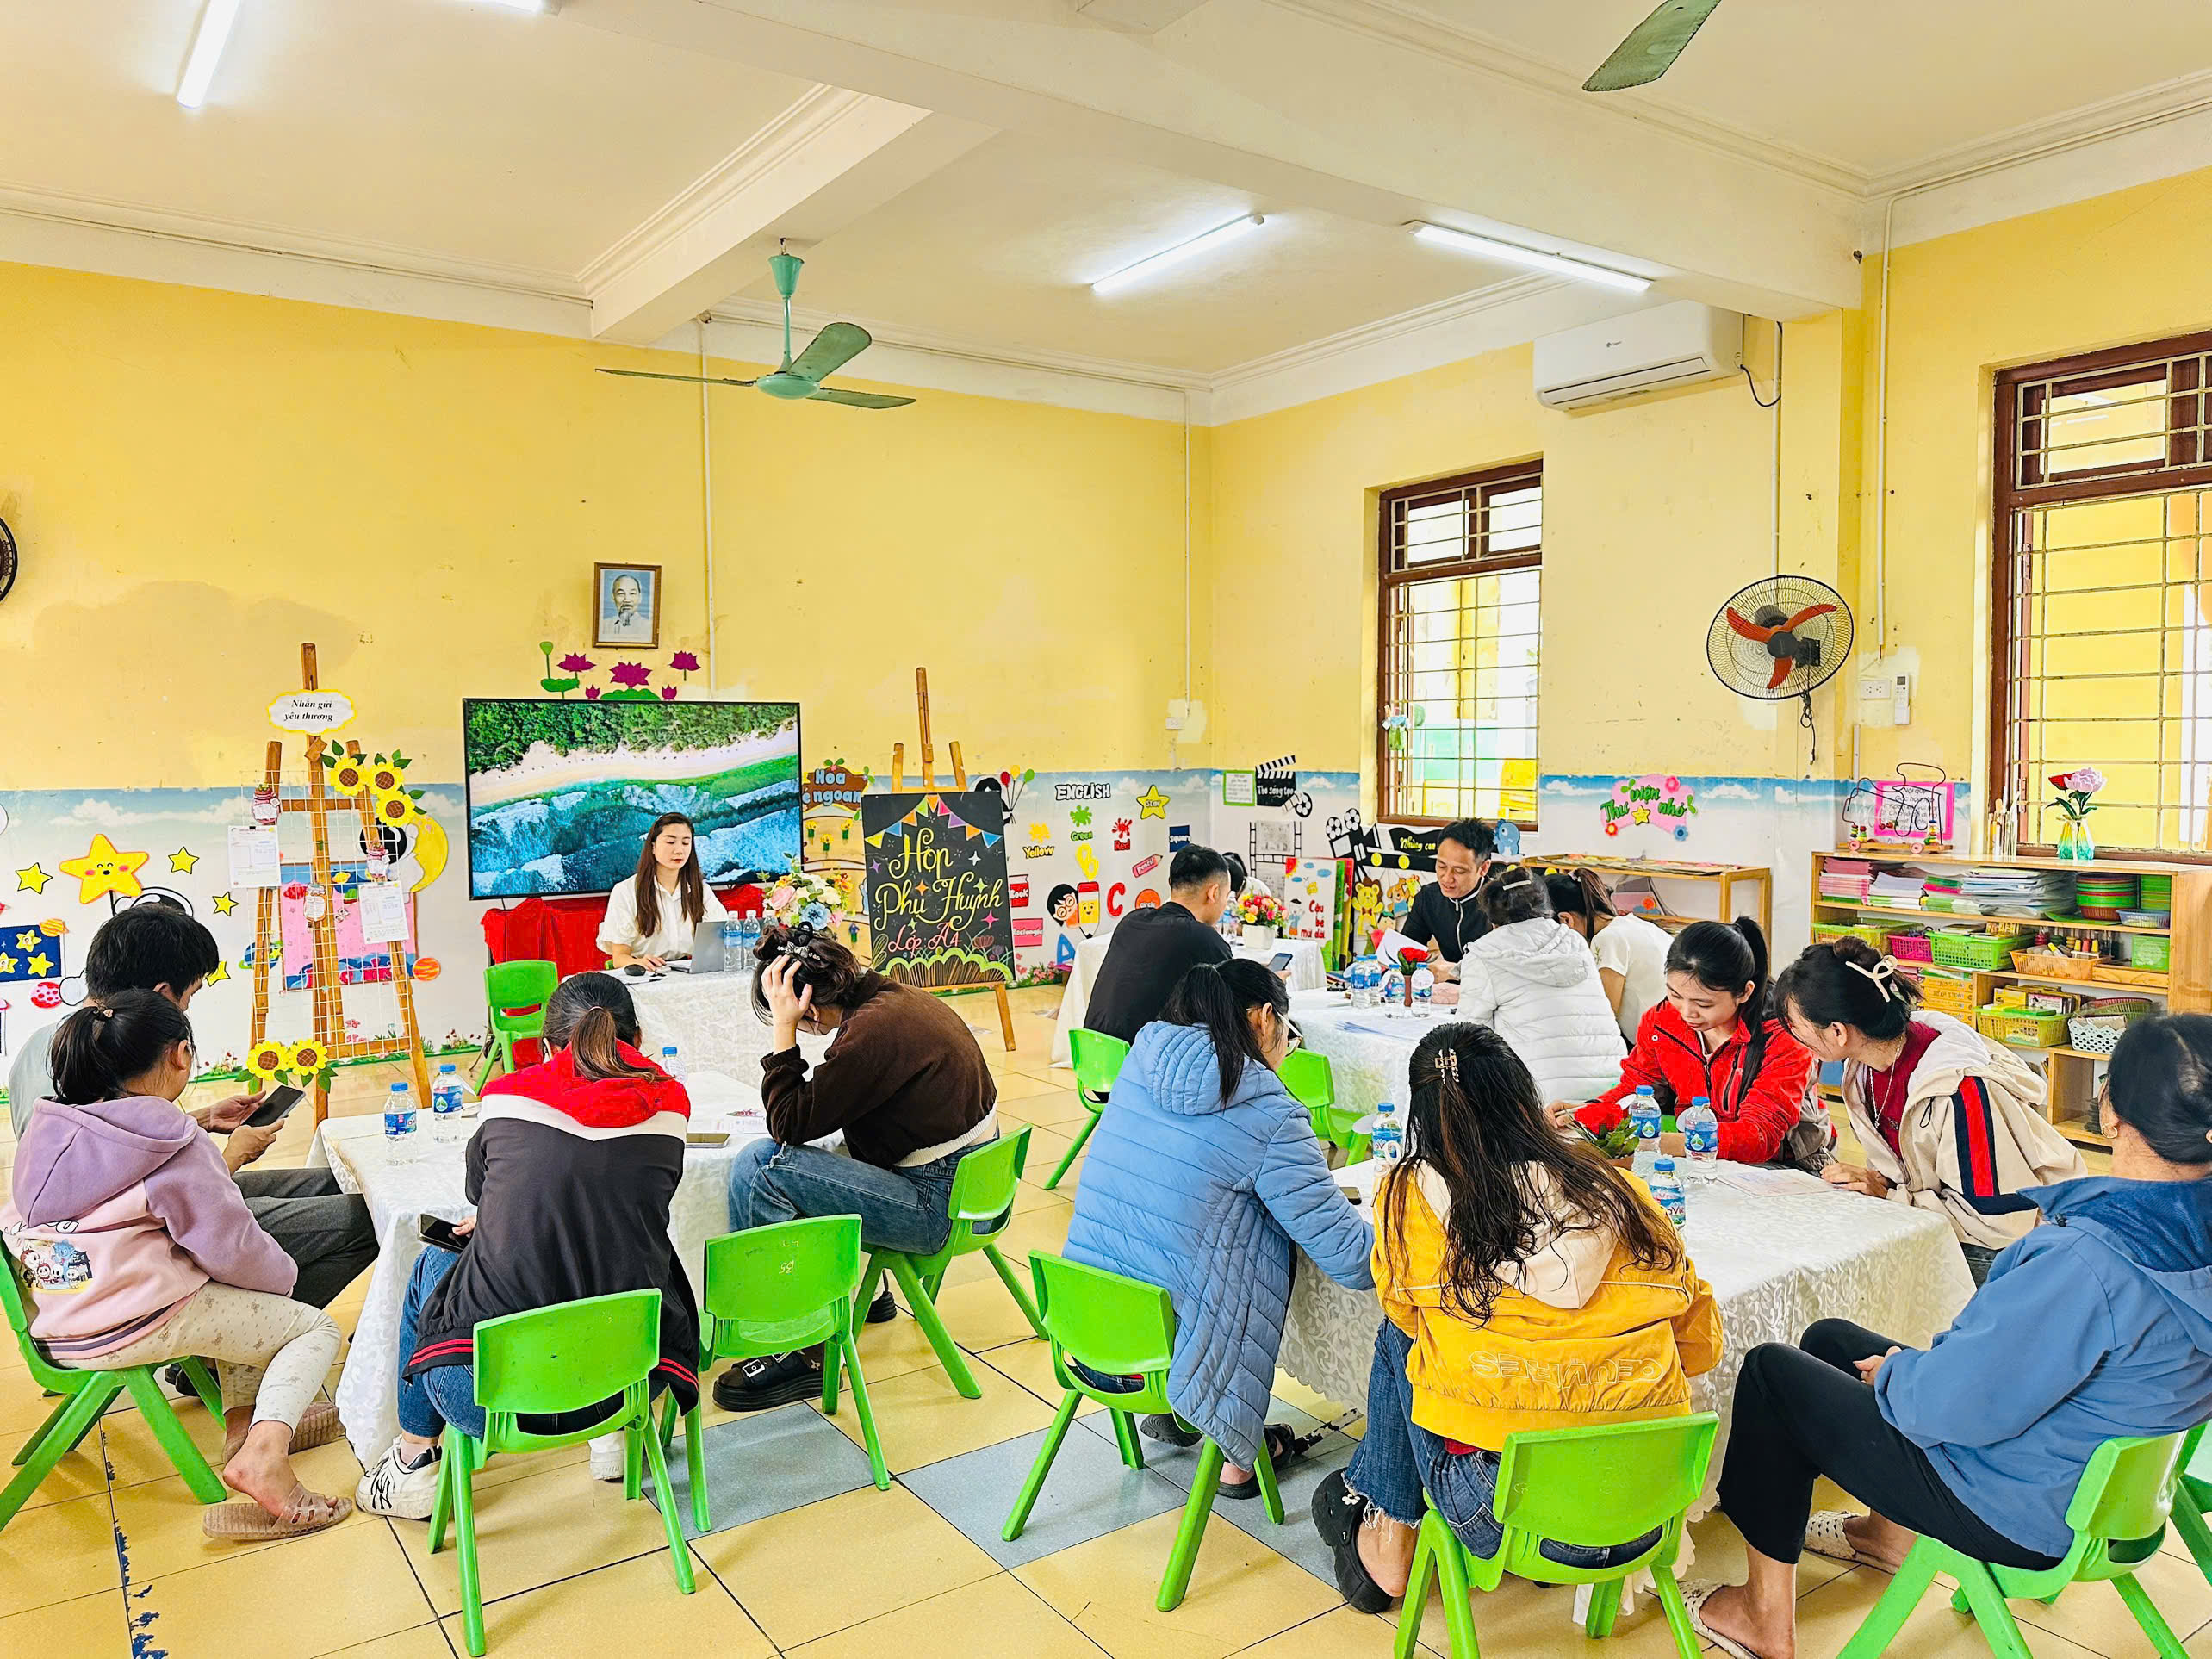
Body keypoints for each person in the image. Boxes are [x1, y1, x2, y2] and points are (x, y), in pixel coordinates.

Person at [1685, 1013, 2212, 1659]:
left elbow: (1953, 1408)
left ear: (2110, 1113)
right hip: (2098, 1492)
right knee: (1830, 1339)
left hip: (2014, 1504)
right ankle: (1888, 1537)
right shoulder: (2183, 1239)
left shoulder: (2088, 1262)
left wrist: (1901, 1374)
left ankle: (1762, 1616)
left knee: (1772, 1372)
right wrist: (1911, 1370)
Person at [1314, 1022, 1721, 1612]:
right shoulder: (1621, 1190)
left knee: (1404, 1338)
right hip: (1646, 1502)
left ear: (1421, 1115)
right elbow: (1701, 1346)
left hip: (1503, 1510)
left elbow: (1404, 1314)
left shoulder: (1410, 1195)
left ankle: (1389, 1535)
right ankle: (1383, 1513)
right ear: (1524, 1098)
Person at [4, 995, 349, 1538]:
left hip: (57, 1320)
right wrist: (283, 1279)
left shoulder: (49, 1134)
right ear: (180, 1055)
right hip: (130, 1319)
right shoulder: (172, 1142)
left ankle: (242, 1427)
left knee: (227, 1294)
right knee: (310, 1327)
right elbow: (232, 1247)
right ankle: (264, 1455)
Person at [356, 973, 699, 1517]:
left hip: (488, 1399)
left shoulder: (507, 1099)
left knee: (431, 1264)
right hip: (631, 1379)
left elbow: (478, 1191)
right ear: (637, 1038)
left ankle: (413, 1460)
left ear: (544, 1047)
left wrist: (505, 1218)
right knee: (624, 1249)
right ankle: (611, 1438)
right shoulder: (670, 1107)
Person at [1065, 959, 1372, 1496]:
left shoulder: (1142, 1060)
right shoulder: (1270, 1112)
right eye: (1289, 1034)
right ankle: (1235, 1458)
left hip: (1085, 1327)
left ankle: (1193, 1422)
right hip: (1173, 1358)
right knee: (1254, 1248)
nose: (1287, 1047)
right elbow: (1348, 1257)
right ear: (1263, 1018)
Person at [8, 901, 376, 1311]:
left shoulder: (50, 1045)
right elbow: (144, 1204)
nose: (185, 1009)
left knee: (333, 1184)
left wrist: (202, 1120)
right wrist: (231, 1157)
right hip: (131, 1252)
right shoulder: (99, 1065)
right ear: (162, 994)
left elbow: (107, 1158)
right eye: (190, 995)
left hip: (132, 1221)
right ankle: (263, 1330)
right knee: (371, 1219)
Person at [715, 923, 999, 1410]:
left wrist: (783, 1032)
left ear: (807, 1005)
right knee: (827, 1154)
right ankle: (869, 1291)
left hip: (937, 1206)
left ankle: (798, 1348)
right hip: (975, 1189)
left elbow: (788, 1124)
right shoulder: (895, 999)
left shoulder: (872, 1032)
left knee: (762, 1165)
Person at [1773, 939, 2085, 1284]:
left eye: (1797, 1028)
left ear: (1838, 1031)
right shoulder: (1864, 1066)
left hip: (2011, 1250)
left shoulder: (1959, 1088)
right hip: (1944, 1220)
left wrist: (1890, 1196)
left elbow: (1999, 1222)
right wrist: (1880, 1183)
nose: (1794, 1038)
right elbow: (1908, 1167)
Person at [1567, 918, 1824, 1167]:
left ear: (1745, 992)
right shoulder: (1662, 1022)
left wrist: (1660, 1144)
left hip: (1784, 1165)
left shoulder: (1786, 1035)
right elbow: (1637, 1090)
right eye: (1675, 995)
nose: (1687, 1013)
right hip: (1696, 1155)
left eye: (1704, 1004)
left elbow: (1759, 1136)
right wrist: (1587, 1112)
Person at [1451, 867, 1625, 1104]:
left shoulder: (1484, 953)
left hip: (1540, 1099)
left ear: (1492, 918)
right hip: (1613, 1091)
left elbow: (1468, 1038)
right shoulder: (1574, 941)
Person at [1081, 844, 1234, 1043]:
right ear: (1213, 893)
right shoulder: (1201, 937)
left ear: (1171, 882)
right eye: (1226, 896)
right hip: (1139, 1058)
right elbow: (1234, 1007)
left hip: (1091, 1052)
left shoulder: (1132, 921)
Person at [1546, 868, 1671, 1043]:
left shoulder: (1607, 939)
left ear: (1566, 920)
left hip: (1656, 1045)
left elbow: (1605, 1014)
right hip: (1675, 1037)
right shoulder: (1634, 923)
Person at [599, 811, 725, 971]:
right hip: (645, 973)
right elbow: (619, 958)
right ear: (653, 846)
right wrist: (639, 963)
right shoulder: (625, 891)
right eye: (670, 842)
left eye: (686, 843)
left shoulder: (701, 890)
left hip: (688, 972)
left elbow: (720, 938)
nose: (679, 850)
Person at [1401, 820, 1494, 979]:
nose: (1447, 878)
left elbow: (1509, 968)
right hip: (1446, 990)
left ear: (1483, 868)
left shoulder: (1502, 904)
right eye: (1442, 866)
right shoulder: (1428, 898)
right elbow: (1406, 952)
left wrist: (1457, 971)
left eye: (1459, 871)